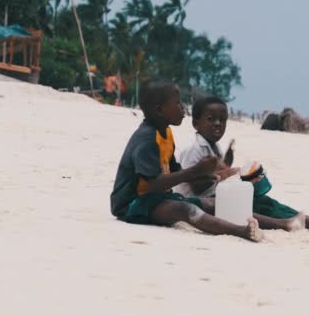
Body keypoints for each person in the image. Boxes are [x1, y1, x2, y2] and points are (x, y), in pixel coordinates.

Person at [110, 82, 263, 242]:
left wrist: (208, 174)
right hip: (132, 205)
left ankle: (284, 223)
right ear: (159, 110)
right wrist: (195, 171)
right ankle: (242, 231)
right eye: (177, 103)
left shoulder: (166, 133)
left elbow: (175, 171)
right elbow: (153, 183)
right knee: (186, 209)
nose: (183, 107)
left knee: (212, 204)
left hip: (156, 197)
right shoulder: (147, 139)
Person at [176, 96, 309, 232]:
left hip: (215, 194)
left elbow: (220, 170)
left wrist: (232, 167)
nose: (218, 124)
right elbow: (198, 187)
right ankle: (291, 223)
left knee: (264, 200)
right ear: (195, 123)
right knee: (247, 206)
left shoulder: (213, 146)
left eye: (222, 120)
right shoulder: (194, 149)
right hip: (197, 201)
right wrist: (226, 175)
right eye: (211, 119)